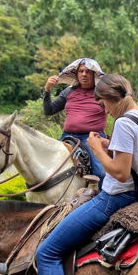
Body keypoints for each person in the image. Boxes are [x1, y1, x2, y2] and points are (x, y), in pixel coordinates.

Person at [36, 74, 138, 275]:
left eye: (103, 105)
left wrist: (96, 148)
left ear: (110, 98)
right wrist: (109, 144)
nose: (104, 111)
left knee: (46, 254)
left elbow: (121, 172)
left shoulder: (124, 122)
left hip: (114, 198)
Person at [43, 58, 107, 186]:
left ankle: (103, 200)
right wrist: (47, 89)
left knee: (100, 173)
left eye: (88, 71)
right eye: (81, 71)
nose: (84, 74)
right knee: (49, 168)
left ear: (94, 74)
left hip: (92, 138)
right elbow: (49, 110)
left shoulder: (102, 93)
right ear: (76, 74)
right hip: (67, 136)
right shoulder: (69, 91)